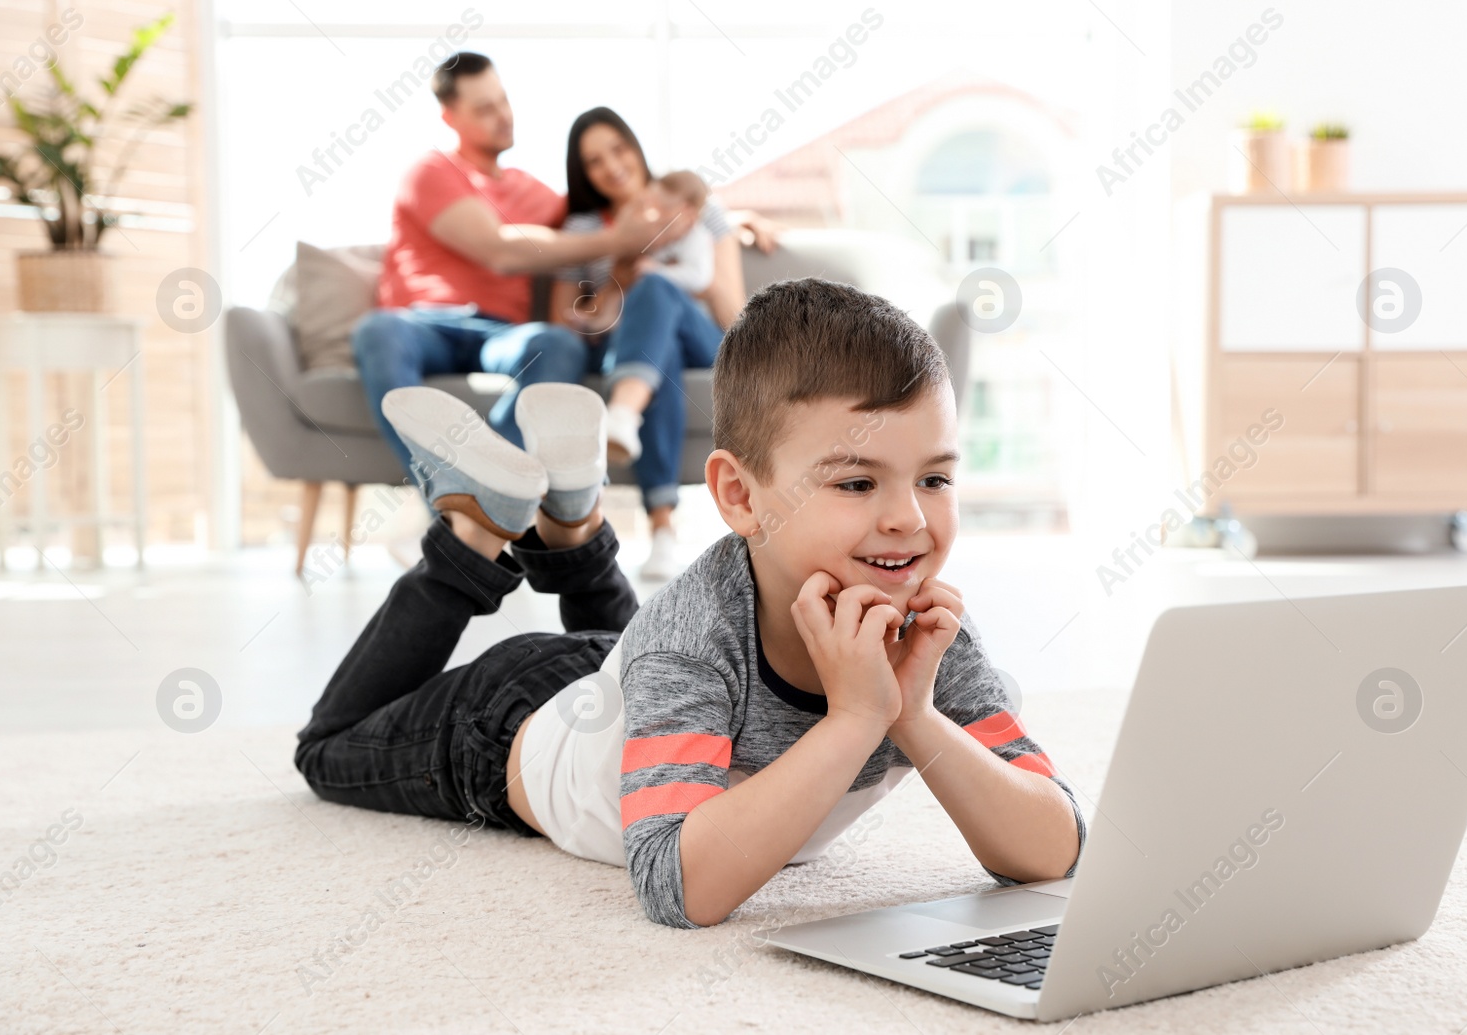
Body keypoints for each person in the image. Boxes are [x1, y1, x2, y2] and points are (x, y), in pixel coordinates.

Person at [294, 279, 1086, 939]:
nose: (909, 519)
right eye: (855, 482)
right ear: (740, 495)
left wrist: (914, 714)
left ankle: (571, 519)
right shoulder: (692, 640)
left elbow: (1055, 846)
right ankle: (476, 530)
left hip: (619, 683)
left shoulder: (927, 631)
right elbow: (675, 886)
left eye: (935, 479)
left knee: (631, 650)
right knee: (328, 750)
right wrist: (854, 719)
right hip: (505, 724)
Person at [351, 53, 692, 489]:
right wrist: (616, 242)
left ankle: (495, 491)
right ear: (450, 117)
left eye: (503, 100)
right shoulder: (431, 172)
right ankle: (452, 500)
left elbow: (613, 198)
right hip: (424, 324)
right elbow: (499, 250)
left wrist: (723, 215)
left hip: (502, 334)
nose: (503, 116)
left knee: (556, 343)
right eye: (484, 109)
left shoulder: (535, 193)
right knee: (376, 331)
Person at [550, 108, 758, 582]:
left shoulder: (697, 207)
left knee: (659, 290)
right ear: (585, 173)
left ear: (635, 147)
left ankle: (624, 412)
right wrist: (621, 270)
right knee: (655, 357)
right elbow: (565, 323)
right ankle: (663, 534)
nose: (611, 166)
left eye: (617, 149)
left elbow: (735, 315)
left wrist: (685, 248)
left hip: (703, 339)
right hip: (632, 346)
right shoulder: (585, 230)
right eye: (594, 161)